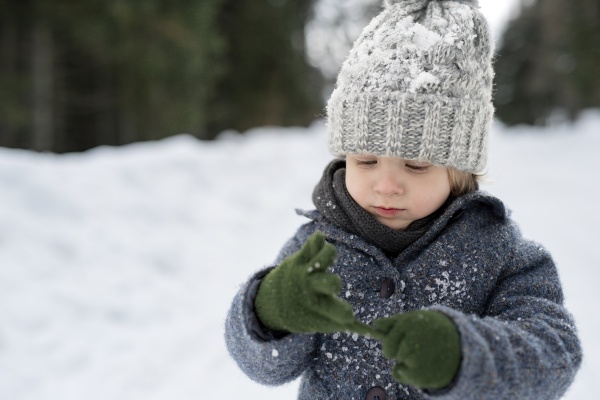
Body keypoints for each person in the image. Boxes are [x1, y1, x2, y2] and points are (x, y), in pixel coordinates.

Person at [224, 0, 582, 398]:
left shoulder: (500, 254)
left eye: (415, 165)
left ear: (458, 171)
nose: (387, 185)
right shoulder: (316, 248)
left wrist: (464, 354)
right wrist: (270, 310)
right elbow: (263, 367)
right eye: (366, 160)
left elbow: (555, 353)